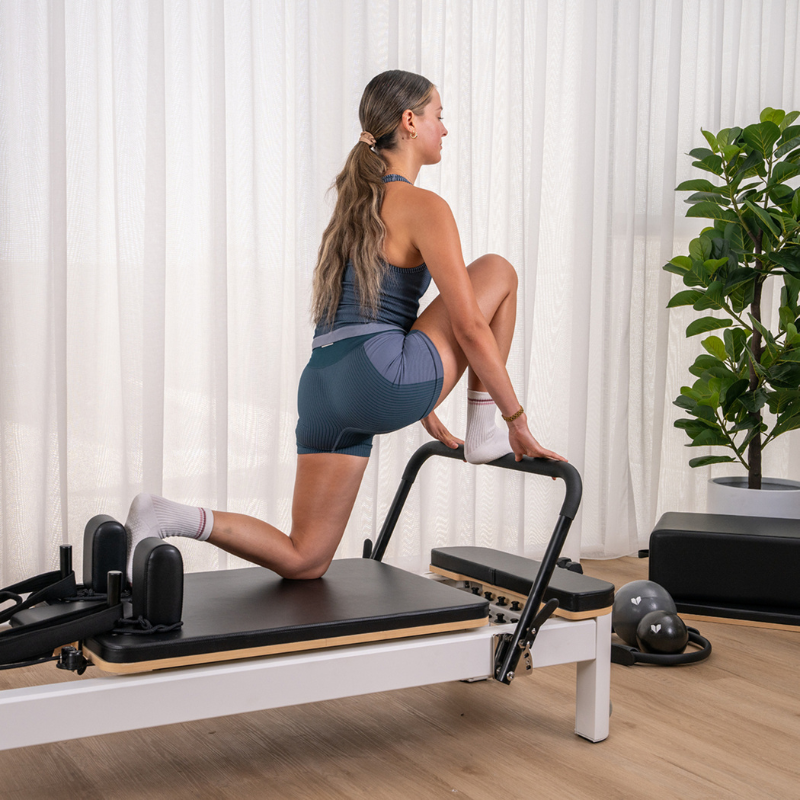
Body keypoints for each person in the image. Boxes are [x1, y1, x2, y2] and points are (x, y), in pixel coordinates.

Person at [124, 70, 567, 583]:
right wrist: (515, 419)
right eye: (438, 116)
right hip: (385, 378)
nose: (444, 129)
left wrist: (421, 398)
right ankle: (483, 423)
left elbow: (371, 316)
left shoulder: (353, 207)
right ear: (409, 121)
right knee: (500, 270)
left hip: (323, 386)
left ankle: (167, 515)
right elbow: (468, 326)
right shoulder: (425, 206)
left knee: (304, 559)